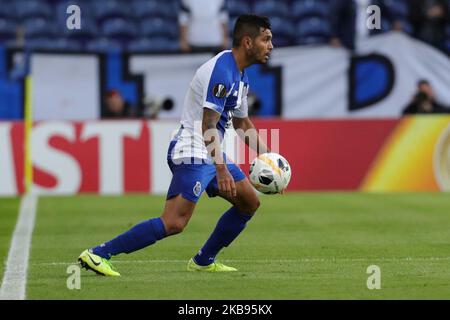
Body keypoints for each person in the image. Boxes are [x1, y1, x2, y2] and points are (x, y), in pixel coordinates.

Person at [78, 14, 275, 275]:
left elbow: (242, 124)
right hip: (193, 149)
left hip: (208, 151)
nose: (271, 46)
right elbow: (207, 125)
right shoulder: (222, 72)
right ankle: (98, 253)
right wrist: (221, 169)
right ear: (248, 42)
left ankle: (204, 260)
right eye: (266, 39)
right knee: (174, 222)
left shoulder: (240, 76)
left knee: (249, 202)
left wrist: (272, 158)